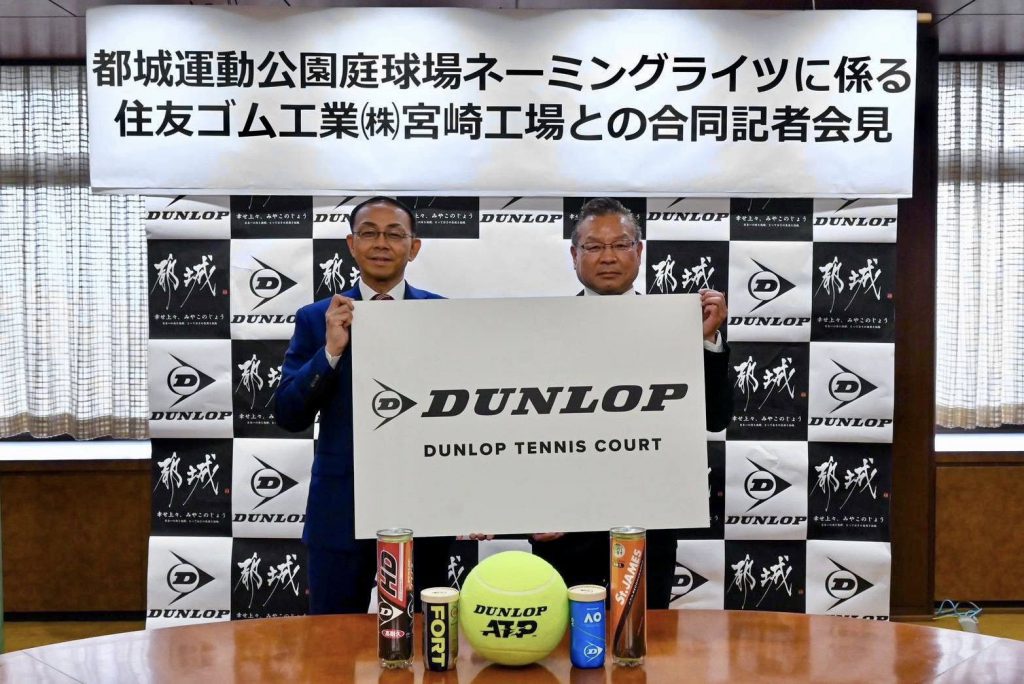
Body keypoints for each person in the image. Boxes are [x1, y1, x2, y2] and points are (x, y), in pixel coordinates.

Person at [530, 197, 733, 608]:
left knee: (642, 638)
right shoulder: (539, 331)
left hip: (647, 523)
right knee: (564, 638)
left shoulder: (678, 325)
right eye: (593, 246)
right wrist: (528, 510)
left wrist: (706, 340)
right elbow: (518, 432)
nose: (608, 257)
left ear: (639, 251)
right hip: (563, 526)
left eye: (620, 244)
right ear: (574, 255)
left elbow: (715, 418)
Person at [274, 196, 451, 614]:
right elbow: (288, 414)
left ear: (414, 247)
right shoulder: (317, 317)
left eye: (394, 234)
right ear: (352, 245)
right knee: (330, 636)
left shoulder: (443, 315)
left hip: (424, 509)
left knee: (425, 637)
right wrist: (330, 352)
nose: (381, 243)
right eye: (369, 233)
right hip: (341, 511)